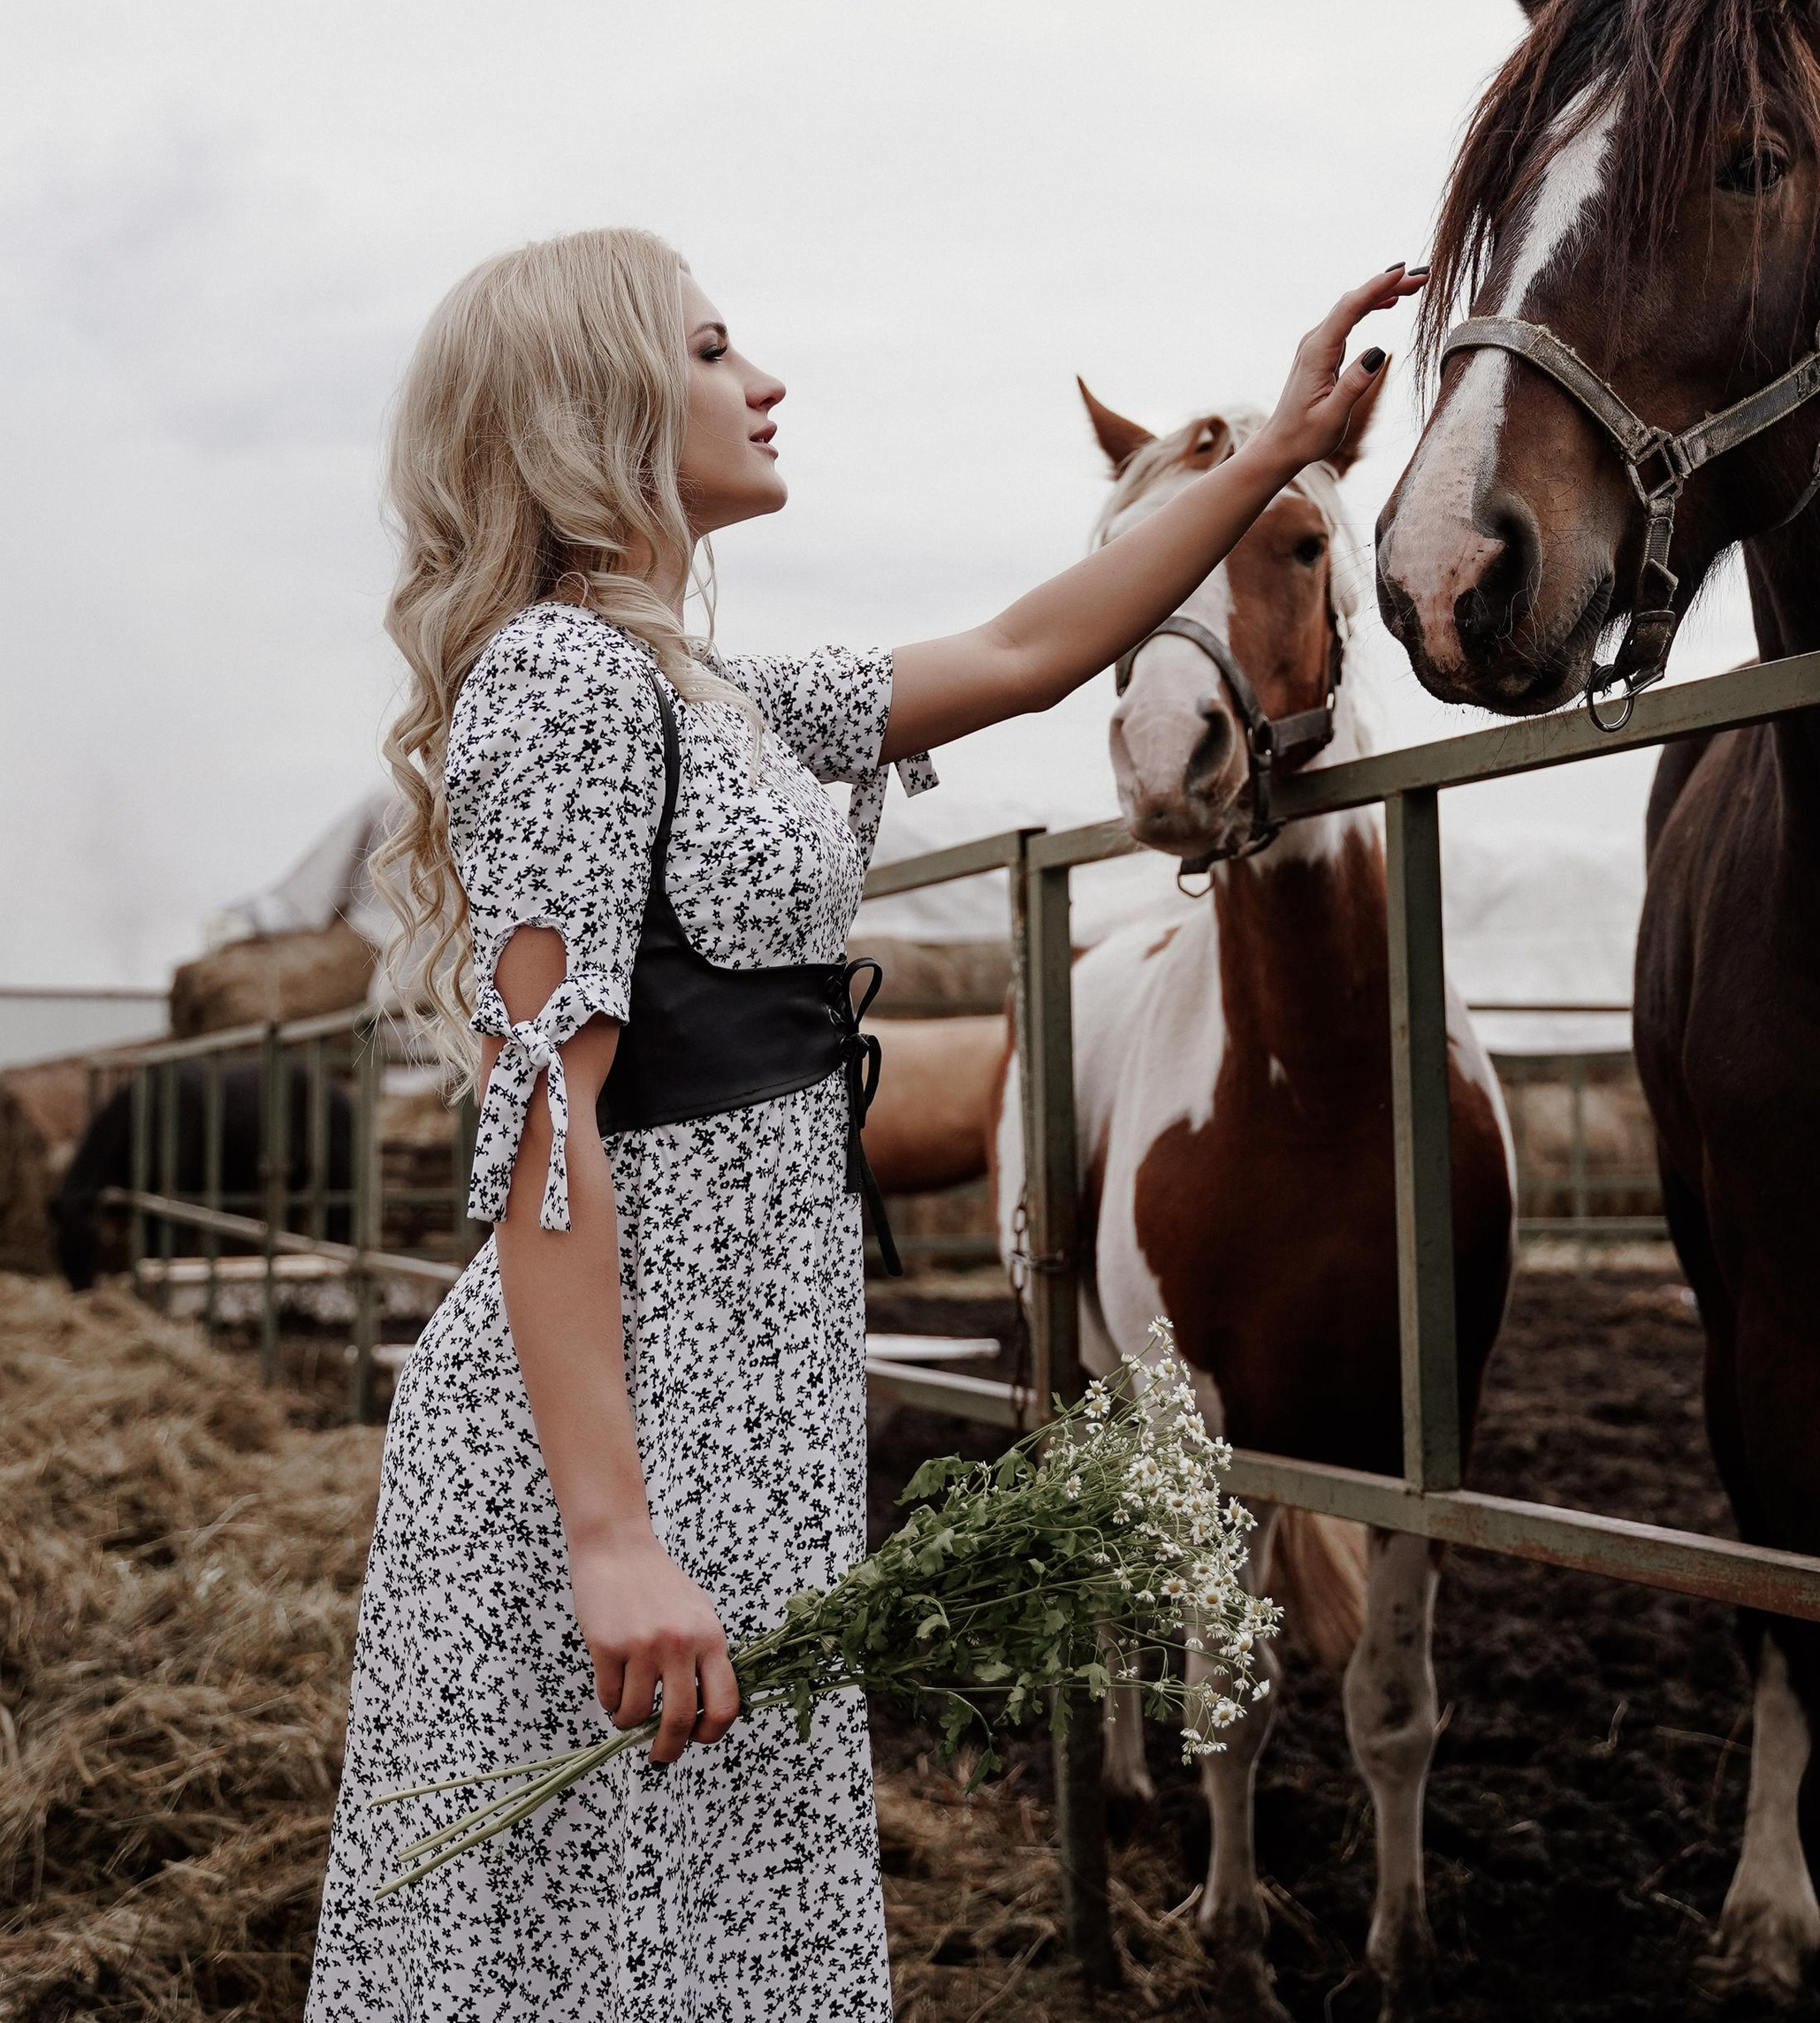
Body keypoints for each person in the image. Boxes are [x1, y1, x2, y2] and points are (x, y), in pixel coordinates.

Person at [307, 224, 1420, 2021]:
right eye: (710, 350)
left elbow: (1027, 644)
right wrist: (609, 1533)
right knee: (603, 1941)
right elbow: (543, 1123)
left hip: (754, 1394)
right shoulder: (562, 687)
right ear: (593, 404)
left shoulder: (714, 697)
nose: (764, 381)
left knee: (708, 1924)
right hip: (633, 1416)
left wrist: (1274, 455)